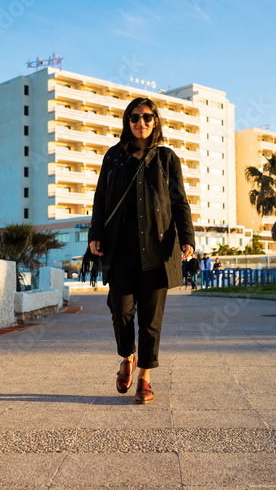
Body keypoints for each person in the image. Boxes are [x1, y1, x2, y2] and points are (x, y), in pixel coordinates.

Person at [88, 97, 195, 404]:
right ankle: (127, 356)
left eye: (147, 117)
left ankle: (145, 379)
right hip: (120, 250)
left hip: (157, 249)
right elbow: (100, 198)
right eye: (135, 117)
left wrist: (186, 235)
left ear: (155, 121)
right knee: (120, 310)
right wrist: (95, 234)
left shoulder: (166, 158)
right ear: (127, 121)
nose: (141, 122)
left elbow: (179, 201)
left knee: (150, 318)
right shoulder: (113, 157)